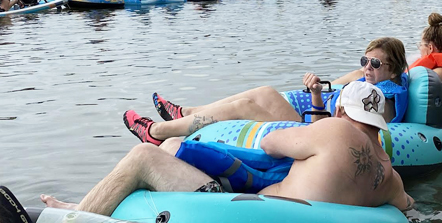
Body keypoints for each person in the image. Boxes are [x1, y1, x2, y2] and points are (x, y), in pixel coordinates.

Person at [41, 81, 414, 216]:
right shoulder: (390, 176)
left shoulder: (332, 129)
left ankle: (73, 217)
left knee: (144, 157)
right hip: (271, 206)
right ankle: (90, 206)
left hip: (237, 209)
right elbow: (407, 206)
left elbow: (270, 143)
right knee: (172, 143)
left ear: (338, 108)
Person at [123, 37, 409, 145]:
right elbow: (355, 75)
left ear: (394, 68)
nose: (366, 67)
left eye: (374, 63)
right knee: (264, 91)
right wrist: (323, 86)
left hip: (314, 133)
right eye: (364, 60)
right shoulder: (371, 81)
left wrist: (318, 96)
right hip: (315, 122)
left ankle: (157, 132)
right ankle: (184, 113)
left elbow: (343, 130)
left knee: (245, 106)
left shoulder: (384, 98)